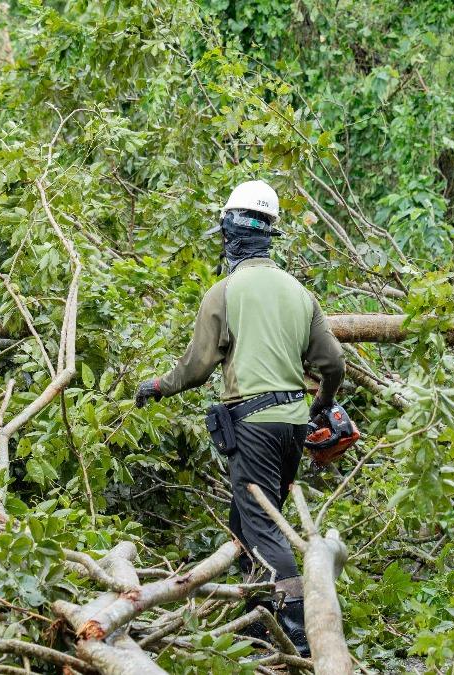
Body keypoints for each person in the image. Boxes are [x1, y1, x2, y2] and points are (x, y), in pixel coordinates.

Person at [133, 179, 345, 656]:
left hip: (252, 426)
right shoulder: (300, 294)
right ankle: (258, 618)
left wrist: (156, 386)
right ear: (270, 233)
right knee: (247, 519)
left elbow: (196, 367)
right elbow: (332, 365)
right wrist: (320, 406)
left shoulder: (224, 293)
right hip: (292, 425)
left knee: (263, 524)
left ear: (229, 234)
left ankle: (297, 628)